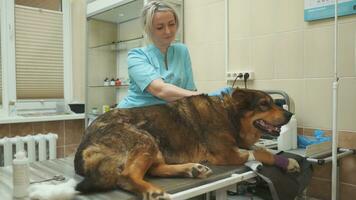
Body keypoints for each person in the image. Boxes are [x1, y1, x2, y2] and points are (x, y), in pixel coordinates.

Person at [118, 0, 232, 108]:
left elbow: (190, 90)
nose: (168, 31)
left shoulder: (182, 51)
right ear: (149, 29)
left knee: (229, 91)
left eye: (171, 24)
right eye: (160, 27)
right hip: (133, 115)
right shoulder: (136, 56)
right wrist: (205, 97)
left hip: (169, 115)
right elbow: (160, 90)